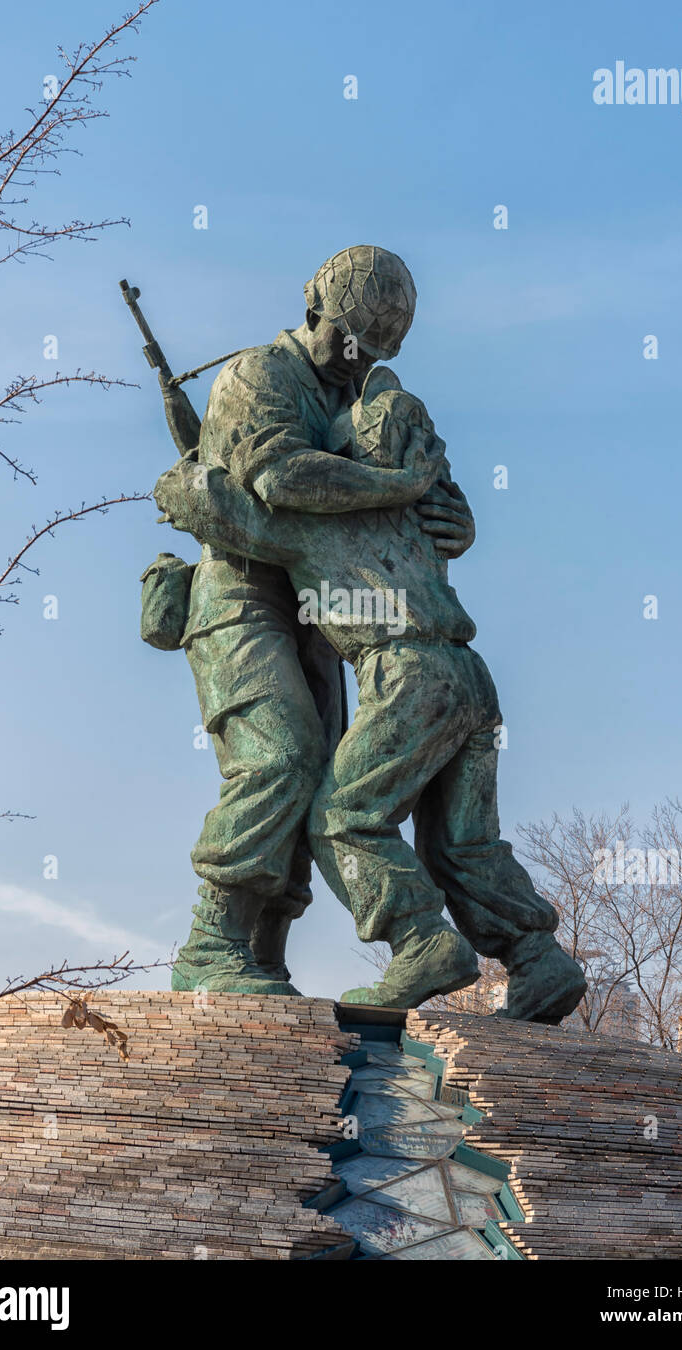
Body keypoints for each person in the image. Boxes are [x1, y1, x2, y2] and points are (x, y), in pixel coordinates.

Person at [156, 369, 587, 1021]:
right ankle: (535, 957)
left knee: (344, 818)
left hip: (407, 673)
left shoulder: (324, 523)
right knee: (464, 843)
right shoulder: (419, 519)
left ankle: (419, 942)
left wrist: (185, 482)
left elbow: (239, 513)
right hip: (469, 679)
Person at [160, 246, 475, 994]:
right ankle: (213, 946)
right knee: (279, 757)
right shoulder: (257, 376)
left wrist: (448, 519)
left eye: (374, 348)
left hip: (324, 607)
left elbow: (429, 506)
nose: (355, 356)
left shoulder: (364, 394)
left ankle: (262, 953)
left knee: (320, 776)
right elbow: (280, 475)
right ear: (313, 312)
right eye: (346, 338)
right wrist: (393, 483)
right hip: (238, 591)